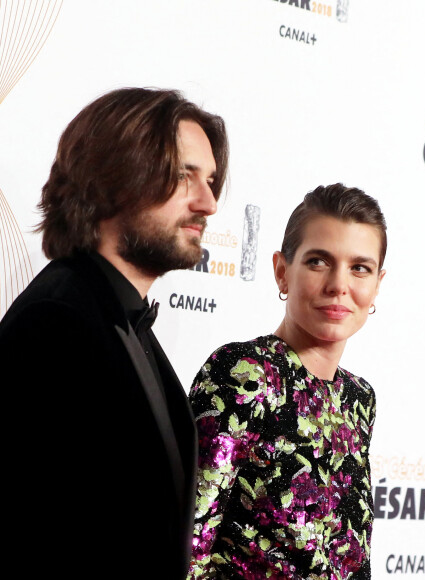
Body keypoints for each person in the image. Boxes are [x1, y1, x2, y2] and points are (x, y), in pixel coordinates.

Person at [0, 87, 229, 580]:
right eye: (185, 175)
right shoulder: (56, 322)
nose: (208, 202)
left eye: (210, 180)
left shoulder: (122, 320)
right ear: (114, 176)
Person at [189, 183, 387, 579]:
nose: (339, 285)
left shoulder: (359, 398)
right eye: (318, 261)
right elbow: (189, 544)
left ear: (377, 284)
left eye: (359, 267)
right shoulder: (244, 375)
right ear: (282, 272)